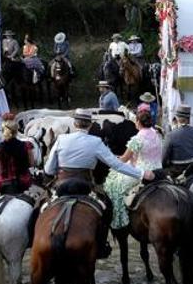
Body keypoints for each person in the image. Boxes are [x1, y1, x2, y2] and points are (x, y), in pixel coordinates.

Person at [44, 109, 155, 258]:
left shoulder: (61, 139)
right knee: (108, 207)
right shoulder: (96, 142)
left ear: (75, 124)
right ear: (89, 125)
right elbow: (117, 165)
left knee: (40, 207)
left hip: (61, 185)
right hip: (85, 186)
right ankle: (101, 244)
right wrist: (141, 173)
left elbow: (49, 169)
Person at [104, 110, 162, 230]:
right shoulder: (156, 133)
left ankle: (119, 219)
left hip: (143, 171)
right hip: (158, 168)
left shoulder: (137, 138)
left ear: (138, 122)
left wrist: (112, 159)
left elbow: (124, 159)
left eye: (136, 120)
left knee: (113, 184)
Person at [0, 113, 34, 197]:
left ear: (2, 131)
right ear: (16, 131)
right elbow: (31, 164)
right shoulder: (27, 146)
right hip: (23, 181)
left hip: (2, 182)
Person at [161, 105, 193, 179]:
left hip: (176, 171)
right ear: (189, 118)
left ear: (177, 118)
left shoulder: (170, 135)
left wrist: (166, 167)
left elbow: (163, 160)